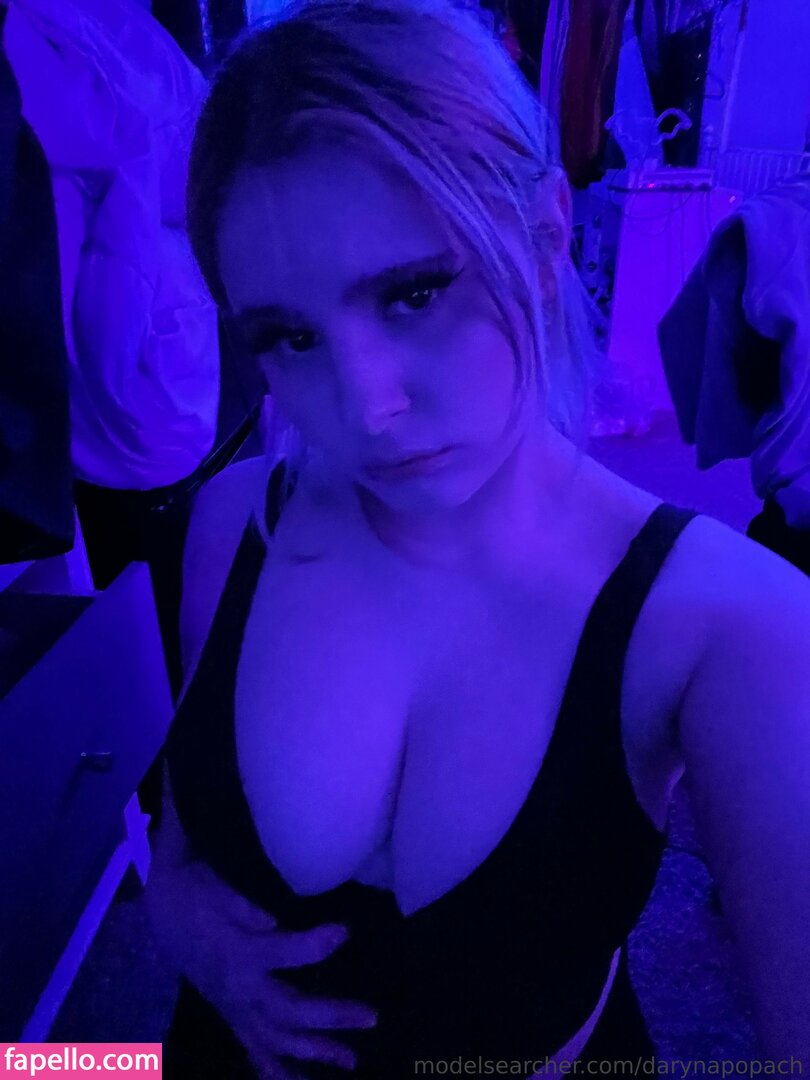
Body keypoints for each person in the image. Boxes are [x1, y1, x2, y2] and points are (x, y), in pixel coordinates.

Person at [145, 1, 810, 1076]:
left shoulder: (731, 626)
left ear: (544, 237)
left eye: (413, 293)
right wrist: (179, 912)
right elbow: (184, 835)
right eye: (291, 336)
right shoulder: (234, 527)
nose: (366, 407)